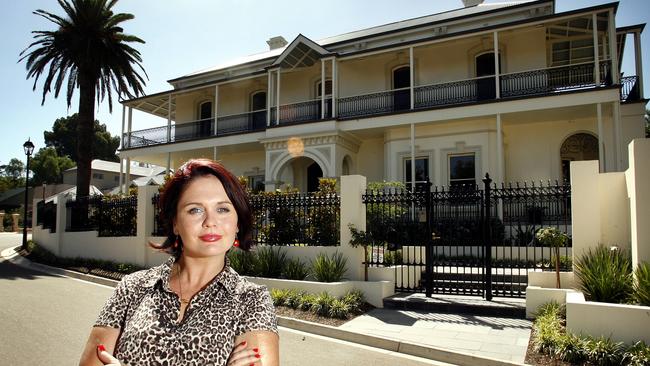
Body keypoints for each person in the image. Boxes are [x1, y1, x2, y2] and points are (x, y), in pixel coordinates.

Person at [79, 159, 279, 366]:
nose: (210, 221)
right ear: (175, 223)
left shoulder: (252, 300)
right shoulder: (132, 287)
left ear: (238, 222)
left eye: (223, 209)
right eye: (195, 210)